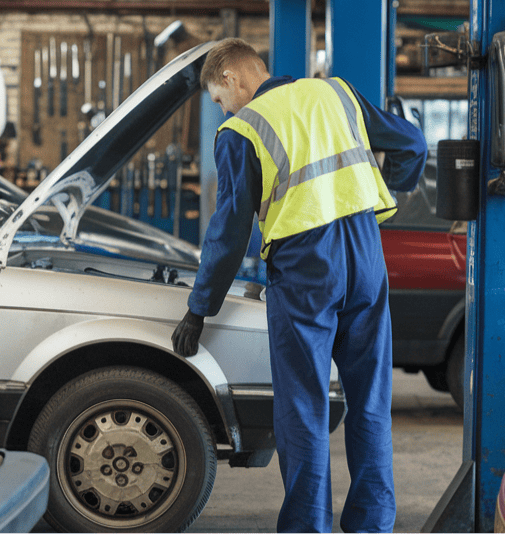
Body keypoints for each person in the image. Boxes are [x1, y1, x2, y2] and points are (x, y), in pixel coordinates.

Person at [172, 38, 427, 533]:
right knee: (370, 401)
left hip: (306, 268)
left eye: (219, 101)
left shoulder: (242, 130)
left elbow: (228, 231)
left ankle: (307, 528)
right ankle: (372, 525)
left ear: (230, 78)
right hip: (366, 255)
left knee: (303, 409)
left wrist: (199, 309)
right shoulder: (335, 94)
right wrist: (396, 181)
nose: (223, 109)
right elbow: (413, 144)